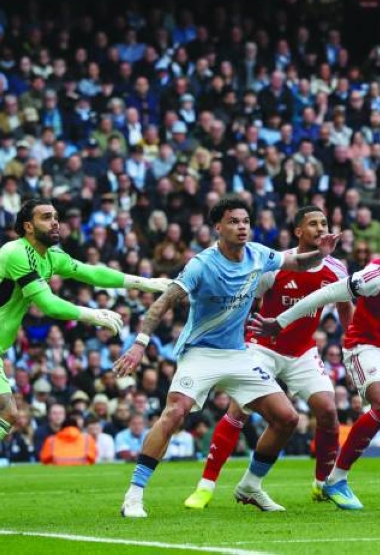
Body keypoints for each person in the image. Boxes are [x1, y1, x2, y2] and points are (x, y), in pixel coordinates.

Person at [115, 195, 340, 518]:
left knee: (287, 417)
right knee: (174, 412)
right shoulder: (201, 264)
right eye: (234, 221)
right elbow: (164, 302)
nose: (242, 227)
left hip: (237, 354)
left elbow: (296, 263)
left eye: (246, 221)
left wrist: (322, 253)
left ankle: (250, 486)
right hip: (201, 353)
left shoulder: (259, 254)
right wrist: (139, 343)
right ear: (218, 227)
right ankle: (134, 495)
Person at [250, 218, 380, 511]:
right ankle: (336, 479)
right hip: (367, 347)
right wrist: (280, 322)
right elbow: (325, 294)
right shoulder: (378, 274)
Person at [182, 206, 351, 510]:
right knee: (239, 410)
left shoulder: (337, 269)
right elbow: (244, 299)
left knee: (327, 411)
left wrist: (350, 343)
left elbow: (345, 303)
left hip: (302, 351)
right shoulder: (274, 265)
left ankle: (323, 484)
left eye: (324, 223)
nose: (320, 228)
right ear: (298, 231)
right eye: (313, 224)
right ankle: (205, 486)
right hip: (262, 346)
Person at [1, 200, 165, 445]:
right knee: (8, 412)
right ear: (28, 226)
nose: (55, 221)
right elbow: (48, 304)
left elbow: (92, 273)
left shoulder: (51, 255)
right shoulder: (16, 253)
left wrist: (145, 283)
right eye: (46, 217)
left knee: (8, 414)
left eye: (56, 216)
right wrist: (93, 315)